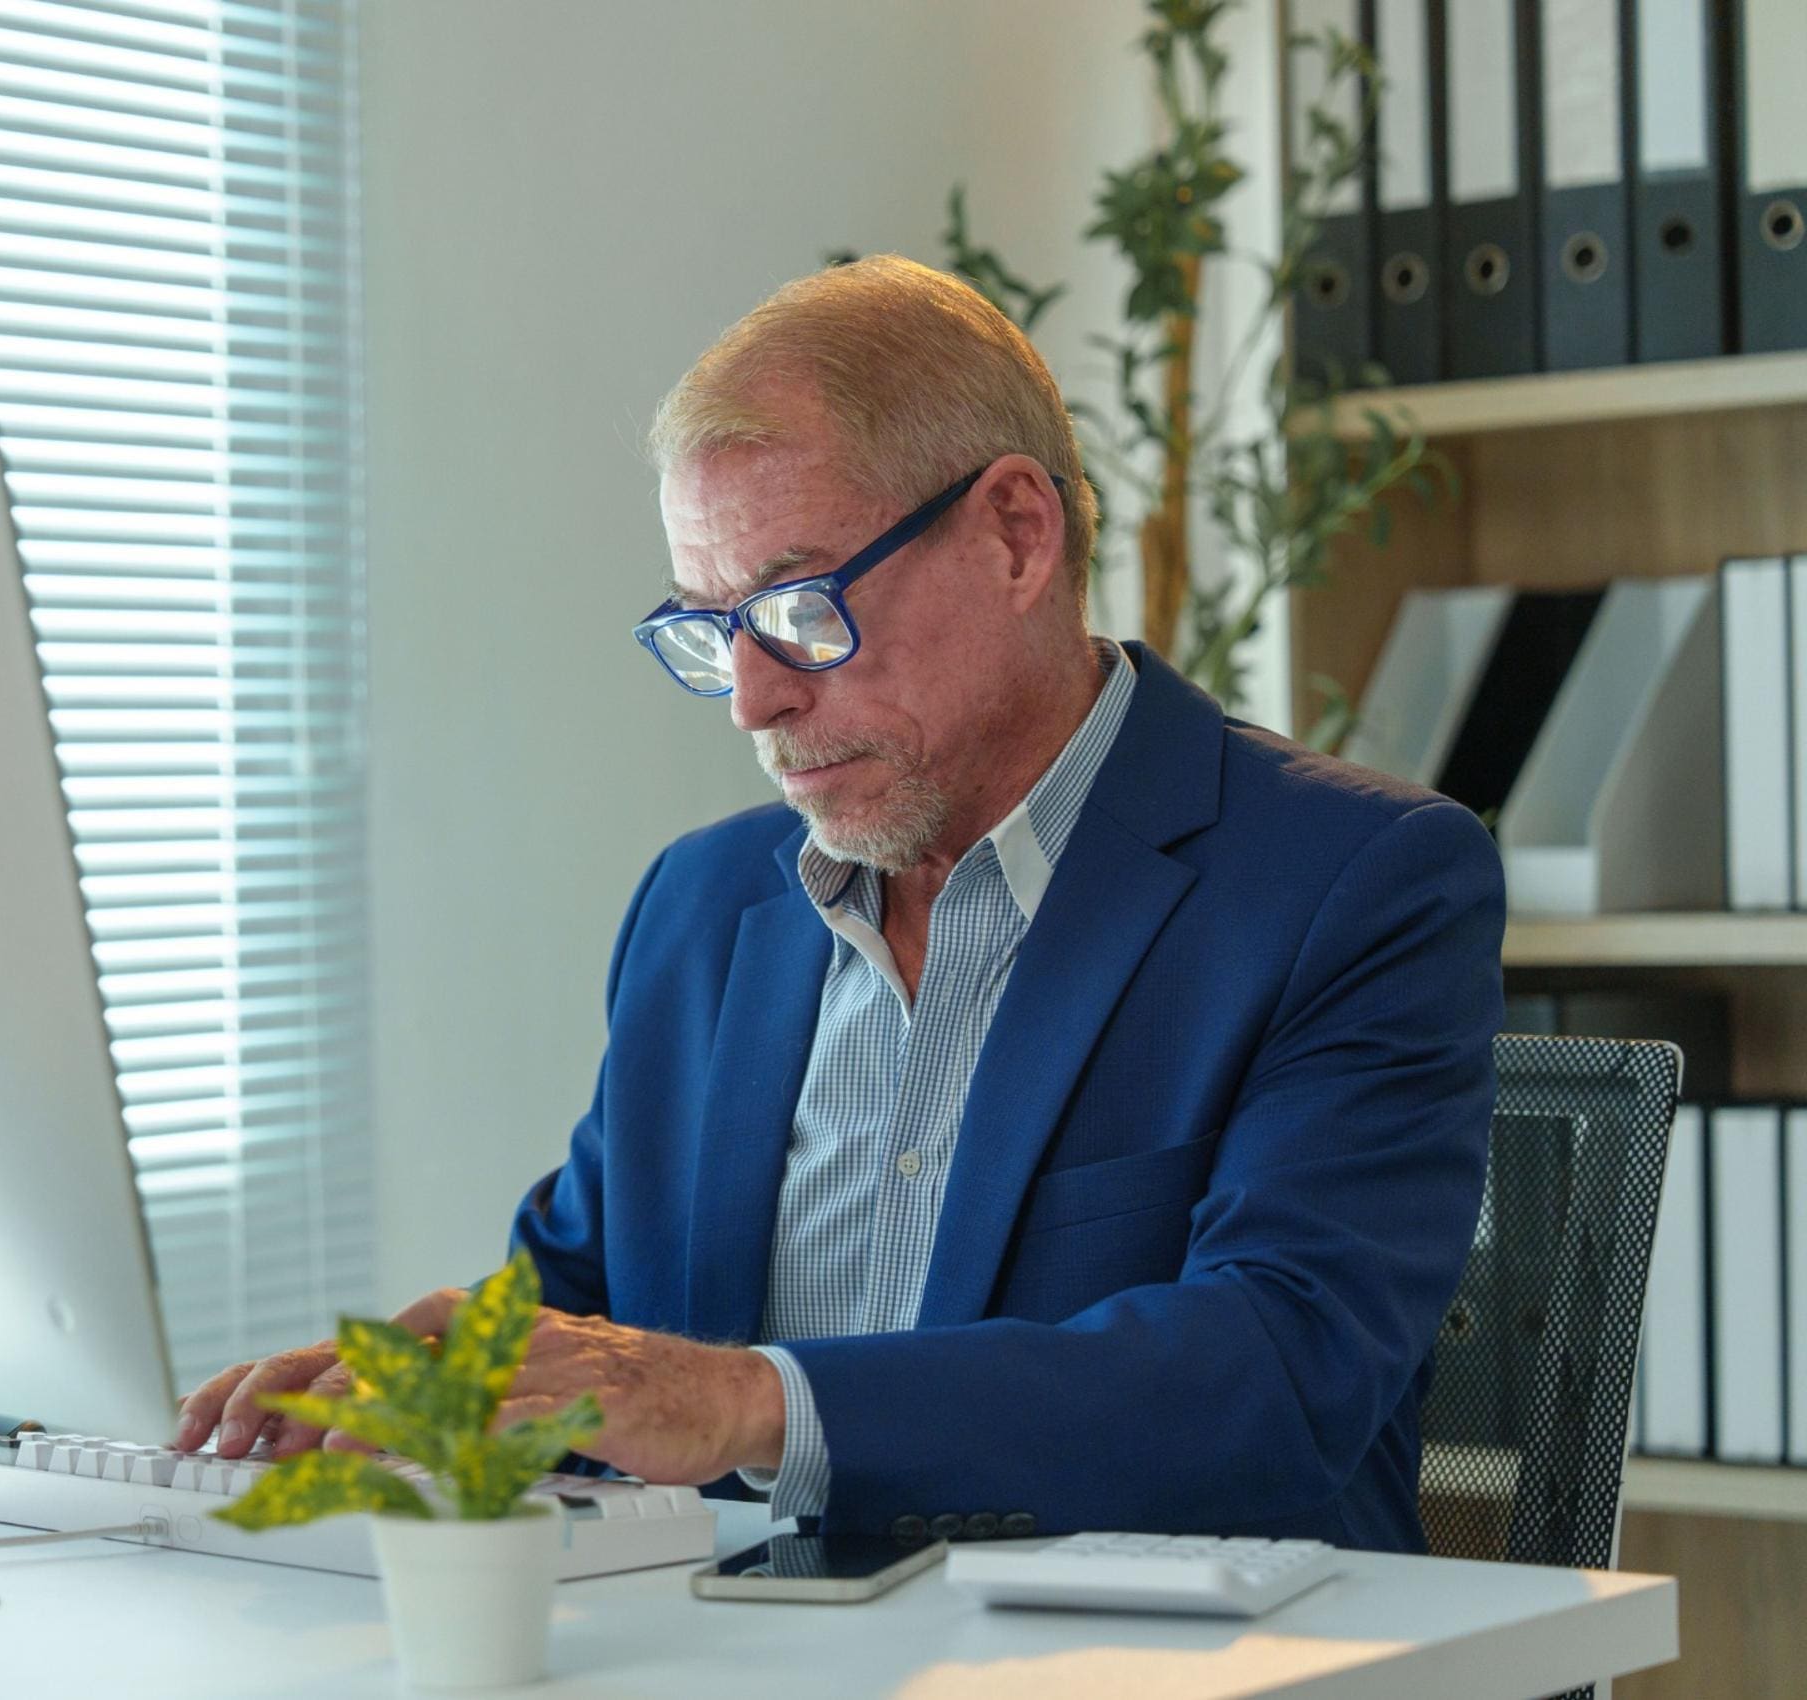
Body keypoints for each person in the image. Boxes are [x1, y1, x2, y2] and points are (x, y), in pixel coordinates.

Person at [172, 255, 1501, 1551]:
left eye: (802, 609)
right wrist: (434, 1385)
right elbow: (593, 1309)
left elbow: (1278, 1373)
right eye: (711, 630)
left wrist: (750, 1402)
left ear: (1016, 534)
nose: (755, 700)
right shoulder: (702, 911)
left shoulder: (1351, 883)